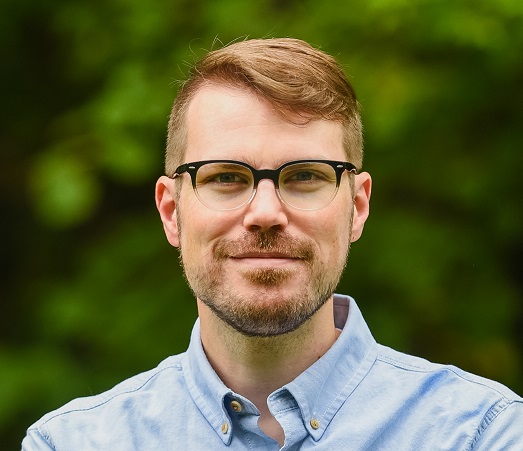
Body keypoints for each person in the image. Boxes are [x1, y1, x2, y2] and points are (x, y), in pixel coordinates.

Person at [23, 37, 522, 450]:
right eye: (225, 177)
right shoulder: (72, 443)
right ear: (172, 211)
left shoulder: (482, 434)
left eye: (305, 176)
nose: (265, 213)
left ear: (357, 207)